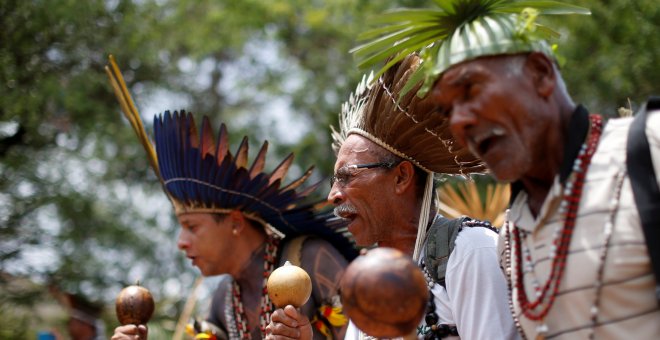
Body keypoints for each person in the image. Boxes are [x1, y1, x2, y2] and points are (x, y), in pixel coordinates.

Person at [350, 0, 660, 338]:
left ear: (540, 73)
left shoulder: (649, 148)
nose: (461, 120)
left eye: (472, 89)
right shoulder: (513, 236)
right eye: (448, 109)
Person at [266, 54, 519, 339]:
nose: (333, 195)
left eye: (347, 176)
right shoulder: (369, 281)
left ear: (401, 177)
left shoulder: (470, 252)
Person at [106, 60, 357, 340]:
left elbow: (375, 333)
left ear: (236, 222)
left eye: (192, 226)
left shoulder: (311, 257)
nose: (181, 242)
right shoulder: (224, 299)